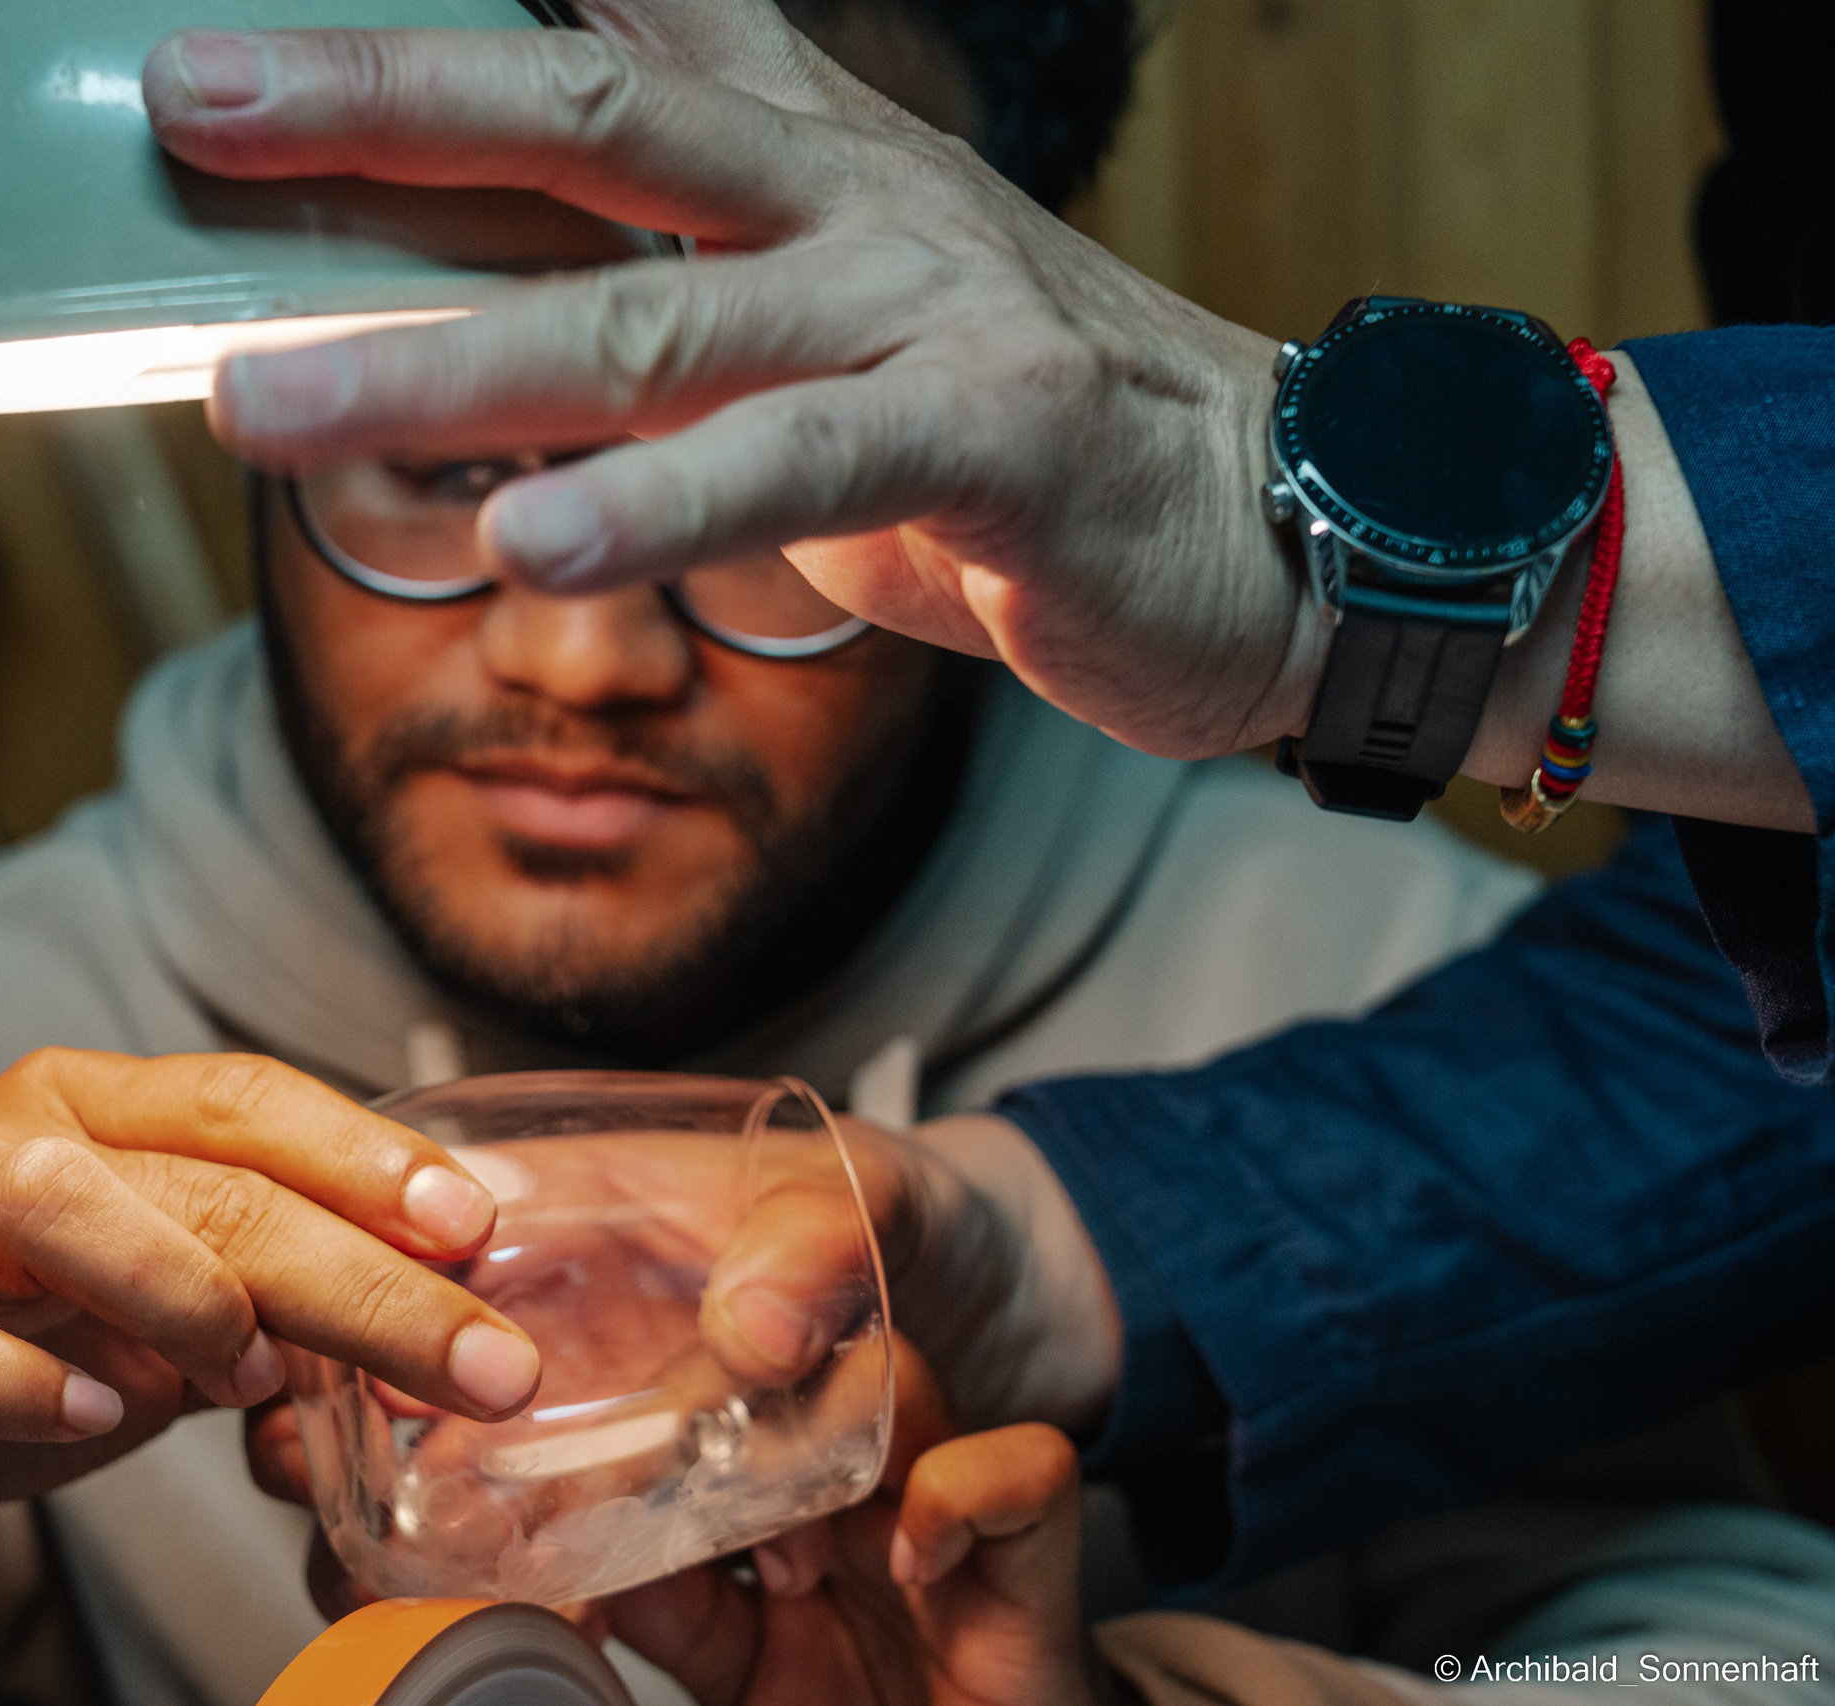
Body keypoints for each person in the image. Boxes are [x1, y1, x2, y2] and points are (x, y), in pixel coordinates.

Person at [132, 0, 1835, 1583]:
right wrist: (1057, 1244)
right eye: (440, 460)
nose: (577, 658)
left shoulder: (1362, 938)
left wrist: (1263, 509)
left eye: (790, 420)